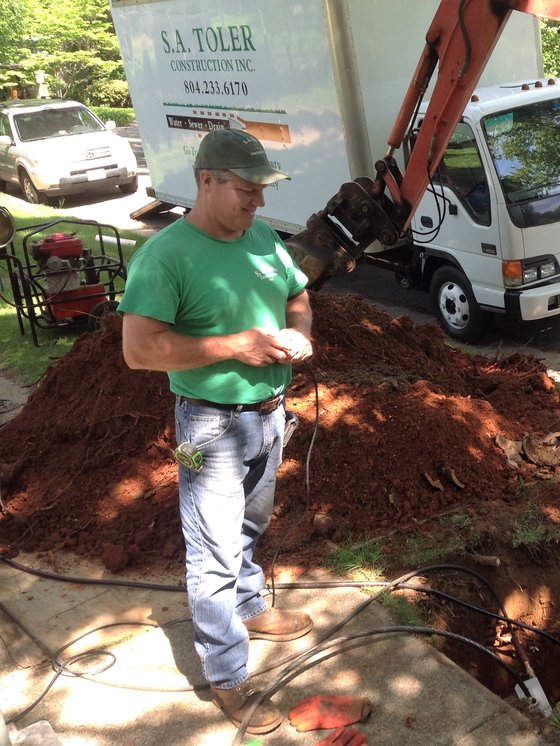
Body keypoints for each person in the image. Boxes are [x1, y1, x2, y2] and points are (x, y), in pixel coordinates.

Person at [119, 128, 313, 735]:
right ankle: (227, 674)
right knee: (212, 552)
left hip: (270, 411)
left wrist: (300, 332)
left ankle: (251, 606)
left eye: (262, 193)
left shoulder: (259, 236)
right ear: (207, 181)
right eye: (247, 192)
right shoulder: (166, 256)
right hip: (208, 424)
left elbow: (297, 293)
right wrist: (237, 345)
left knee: (251, 523)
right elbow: (139, 351)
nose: (257, 205)